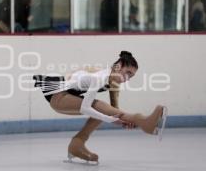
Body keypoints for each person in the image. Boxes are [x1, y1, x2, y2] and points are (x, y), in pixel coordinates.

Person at [33, 51, 168, 163]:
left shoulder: (113, 83)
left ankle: (76, 145)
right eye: (127, 73)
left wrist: (126, 122)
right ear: (118, 66)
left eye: (131, 76)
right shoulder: (99, 77)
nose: (127, 78)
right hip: (58, 97)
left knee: (101, 110)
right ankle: (144, 122)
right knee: (97, 106)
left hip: (68, 96)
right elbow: (86, 108)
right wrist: (113, 119)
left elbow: (115, 111)